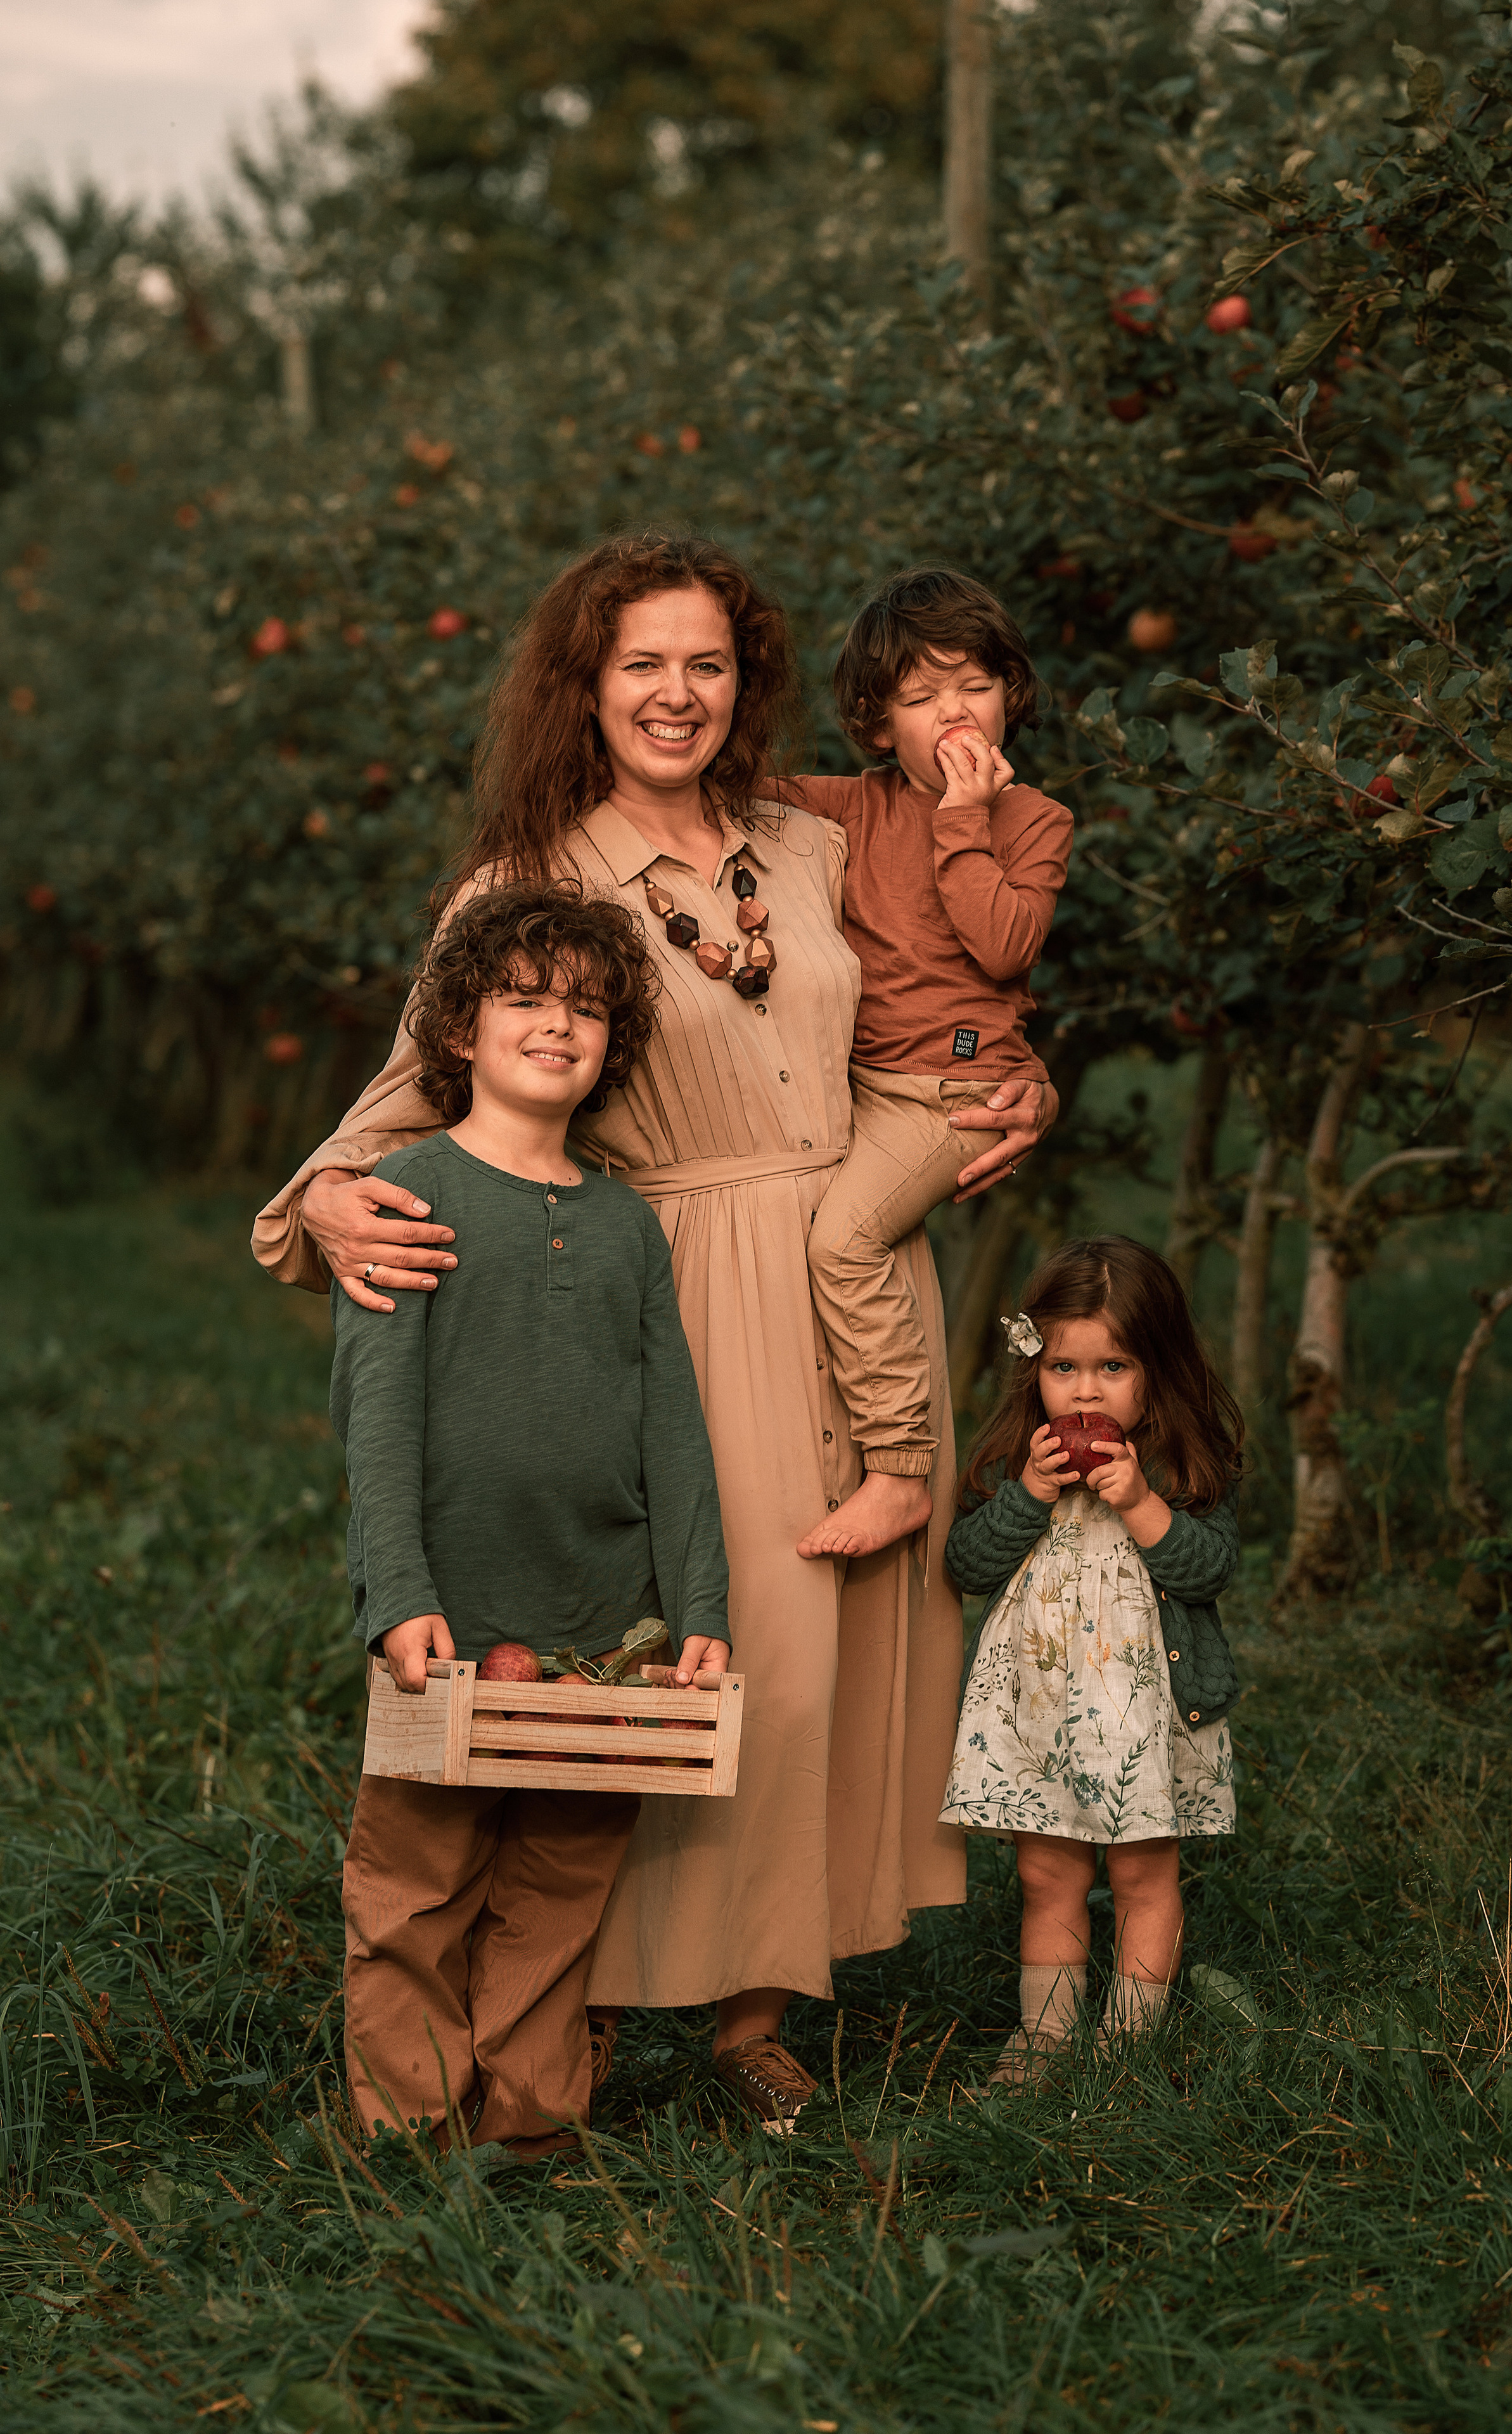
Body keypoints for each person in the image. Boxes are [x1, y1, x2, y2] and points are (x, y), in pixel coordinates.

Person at [254, 533, 1056, 2133]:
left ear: (743, 679)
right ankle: (591, 2003)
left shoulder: (815, 838)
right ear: (586, 684)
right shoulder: (530, 884)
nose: (677, 693)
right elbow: (414, 1092)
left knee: (825, 1677)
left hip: (854, 1276)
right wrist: (317, 1206)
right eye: (641, 663)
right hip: (672, 1289)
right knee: (705, 1655)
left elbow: (943, 979)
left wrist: (1016, 1082)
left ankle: (755, 2014)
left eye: (707, 662)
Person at [335, 880, 731, 2156]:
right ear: (457, 1030)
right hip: (450, 1611)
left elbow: (674, 1428)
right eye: (522, 999)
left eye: (586, 1007)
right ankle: (407, 2130)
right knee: (418, 1881)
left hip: (599, 1619)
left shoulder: (624, 1225)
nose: (555, 1025)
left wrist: (698, 1608)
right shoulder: (408, 1193)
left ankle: (528, 2123)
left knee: (561, 1879)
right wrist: (398, 1593)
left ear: (613, 1041)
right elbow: (377, 1422)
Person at [787, 569, 1073, 1562]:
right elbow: (722, 792)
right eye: (920, 697)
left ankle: (905, 1471)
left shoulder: (1034, 820)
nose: (953, 715)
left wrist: (961, 820)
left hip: (958, 1094)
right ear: (876, 727)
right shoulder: (844, 808)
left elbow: (1004, 948)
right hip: (863, 1091)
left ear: (1012, 696)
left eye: (974, 687)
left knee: (844, 1246)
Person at [938, 1236, 1243, 2089]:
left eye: (1113, 1366)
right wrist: (1027, 1497)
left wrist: (1142, 1502)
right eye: (1064, 1368)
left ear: (1160, 1366)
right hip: (1039, 1712)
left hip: (1147, 1716)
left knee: (1144, 1869)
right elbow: (967, 1566)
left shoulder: (1181, 1466)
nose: (1084, 1391)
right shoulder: (1018, 1460)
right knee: (1046, 1872)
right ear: (1034, 1369)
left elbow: (1210, 1570)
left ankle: (1130, 2043)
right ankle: (1043, 2039)